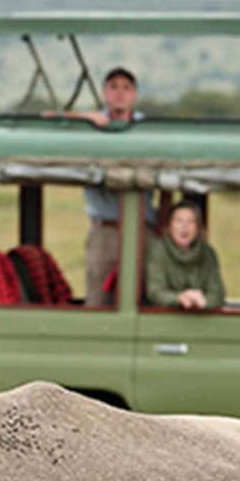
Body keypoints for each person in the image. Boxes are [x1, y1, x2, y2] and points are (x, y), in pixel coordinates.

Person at [55, 66, 149, 307]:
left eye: (126, 88)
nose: (120, 94)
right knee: (98, 295)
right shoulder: (92, 124)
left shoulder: (146, 128)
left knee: (144, 294)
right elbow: (51, 119)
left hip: (143, 229)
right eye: (114, 87)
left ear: (135, 94)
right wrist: (85, 118)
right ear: (104, 92)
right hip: (105, 230)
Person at [145, 201, 225, 311]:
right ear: (169, 226)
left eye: (191, 222)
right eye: (179, 221)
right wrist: (180, 298)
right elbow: (155, 292)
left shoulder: (207, 253)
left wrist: (203, 301)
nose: (184, 227)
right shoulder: (158, 250)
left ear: (197, 228)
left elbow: (217, 294)